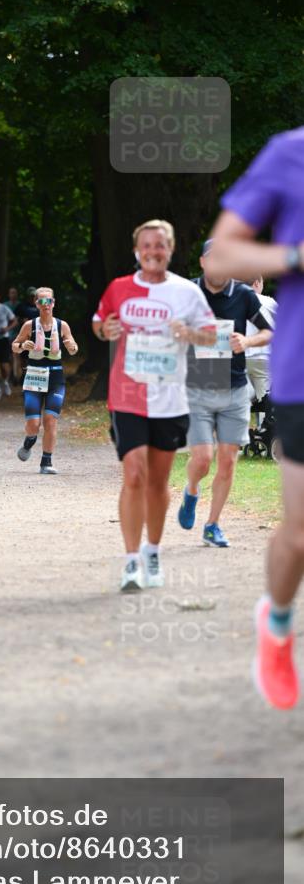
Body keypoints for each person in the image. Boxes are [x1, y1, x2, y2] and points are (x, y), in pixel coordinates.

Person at [204, 125, 304, 710]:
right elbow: (228, 249)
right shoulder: (290, 153)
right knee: (300, 532)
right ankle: (278, 622)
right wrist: (293, 255)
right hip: (299, 370)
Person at [92, 219, 216, 592]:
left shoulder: (186, 293)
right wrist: (106, 331)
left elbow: (213, 337)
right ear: (136, 251)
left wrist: (189, 333)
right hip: (127, 395)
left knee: (158, 482)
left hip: (170, 398)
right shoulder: (120, 288)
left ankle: (153, 551)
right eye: (146, 245)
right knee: (134, 474)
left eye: (160, 245)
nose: (153, 251)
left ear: (171, 249)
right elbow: (100, 322)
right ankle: (131, 561)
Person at [178, 241, 274, 547]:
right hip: (198, 384)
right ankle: (191, 490)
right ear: (203, 262)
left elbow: (268, 331)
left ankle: (213, 524)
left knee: (229, 461)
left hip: (234, 385)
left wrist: (246, 343)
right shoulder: (189, 293)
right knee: (204, 458)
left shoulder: (243, 294)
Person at [12, 288, 78, 474]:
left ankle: (46, 462)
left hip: (56, 378)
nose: (45, 305)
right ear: (36, 304)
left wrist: (71, 346)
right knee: (34, 425)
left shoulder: (62, 325)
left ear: (54, 303)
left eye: (48, 301)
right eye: (41, 302)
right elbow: (15, 346)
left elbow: (73, 348)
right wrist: (23, 346)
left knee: (50, 421)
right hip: (34, 376)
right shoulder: (29, 326)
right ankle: (30, 440)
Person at [245, 276, 278, 415]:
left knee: (242, 398)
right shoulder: (269, 302)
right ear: (257, 282)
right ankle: (262, 432)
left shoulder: (233, 301)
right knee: (265, 400)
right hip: (263, 358)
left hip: (240, 358)